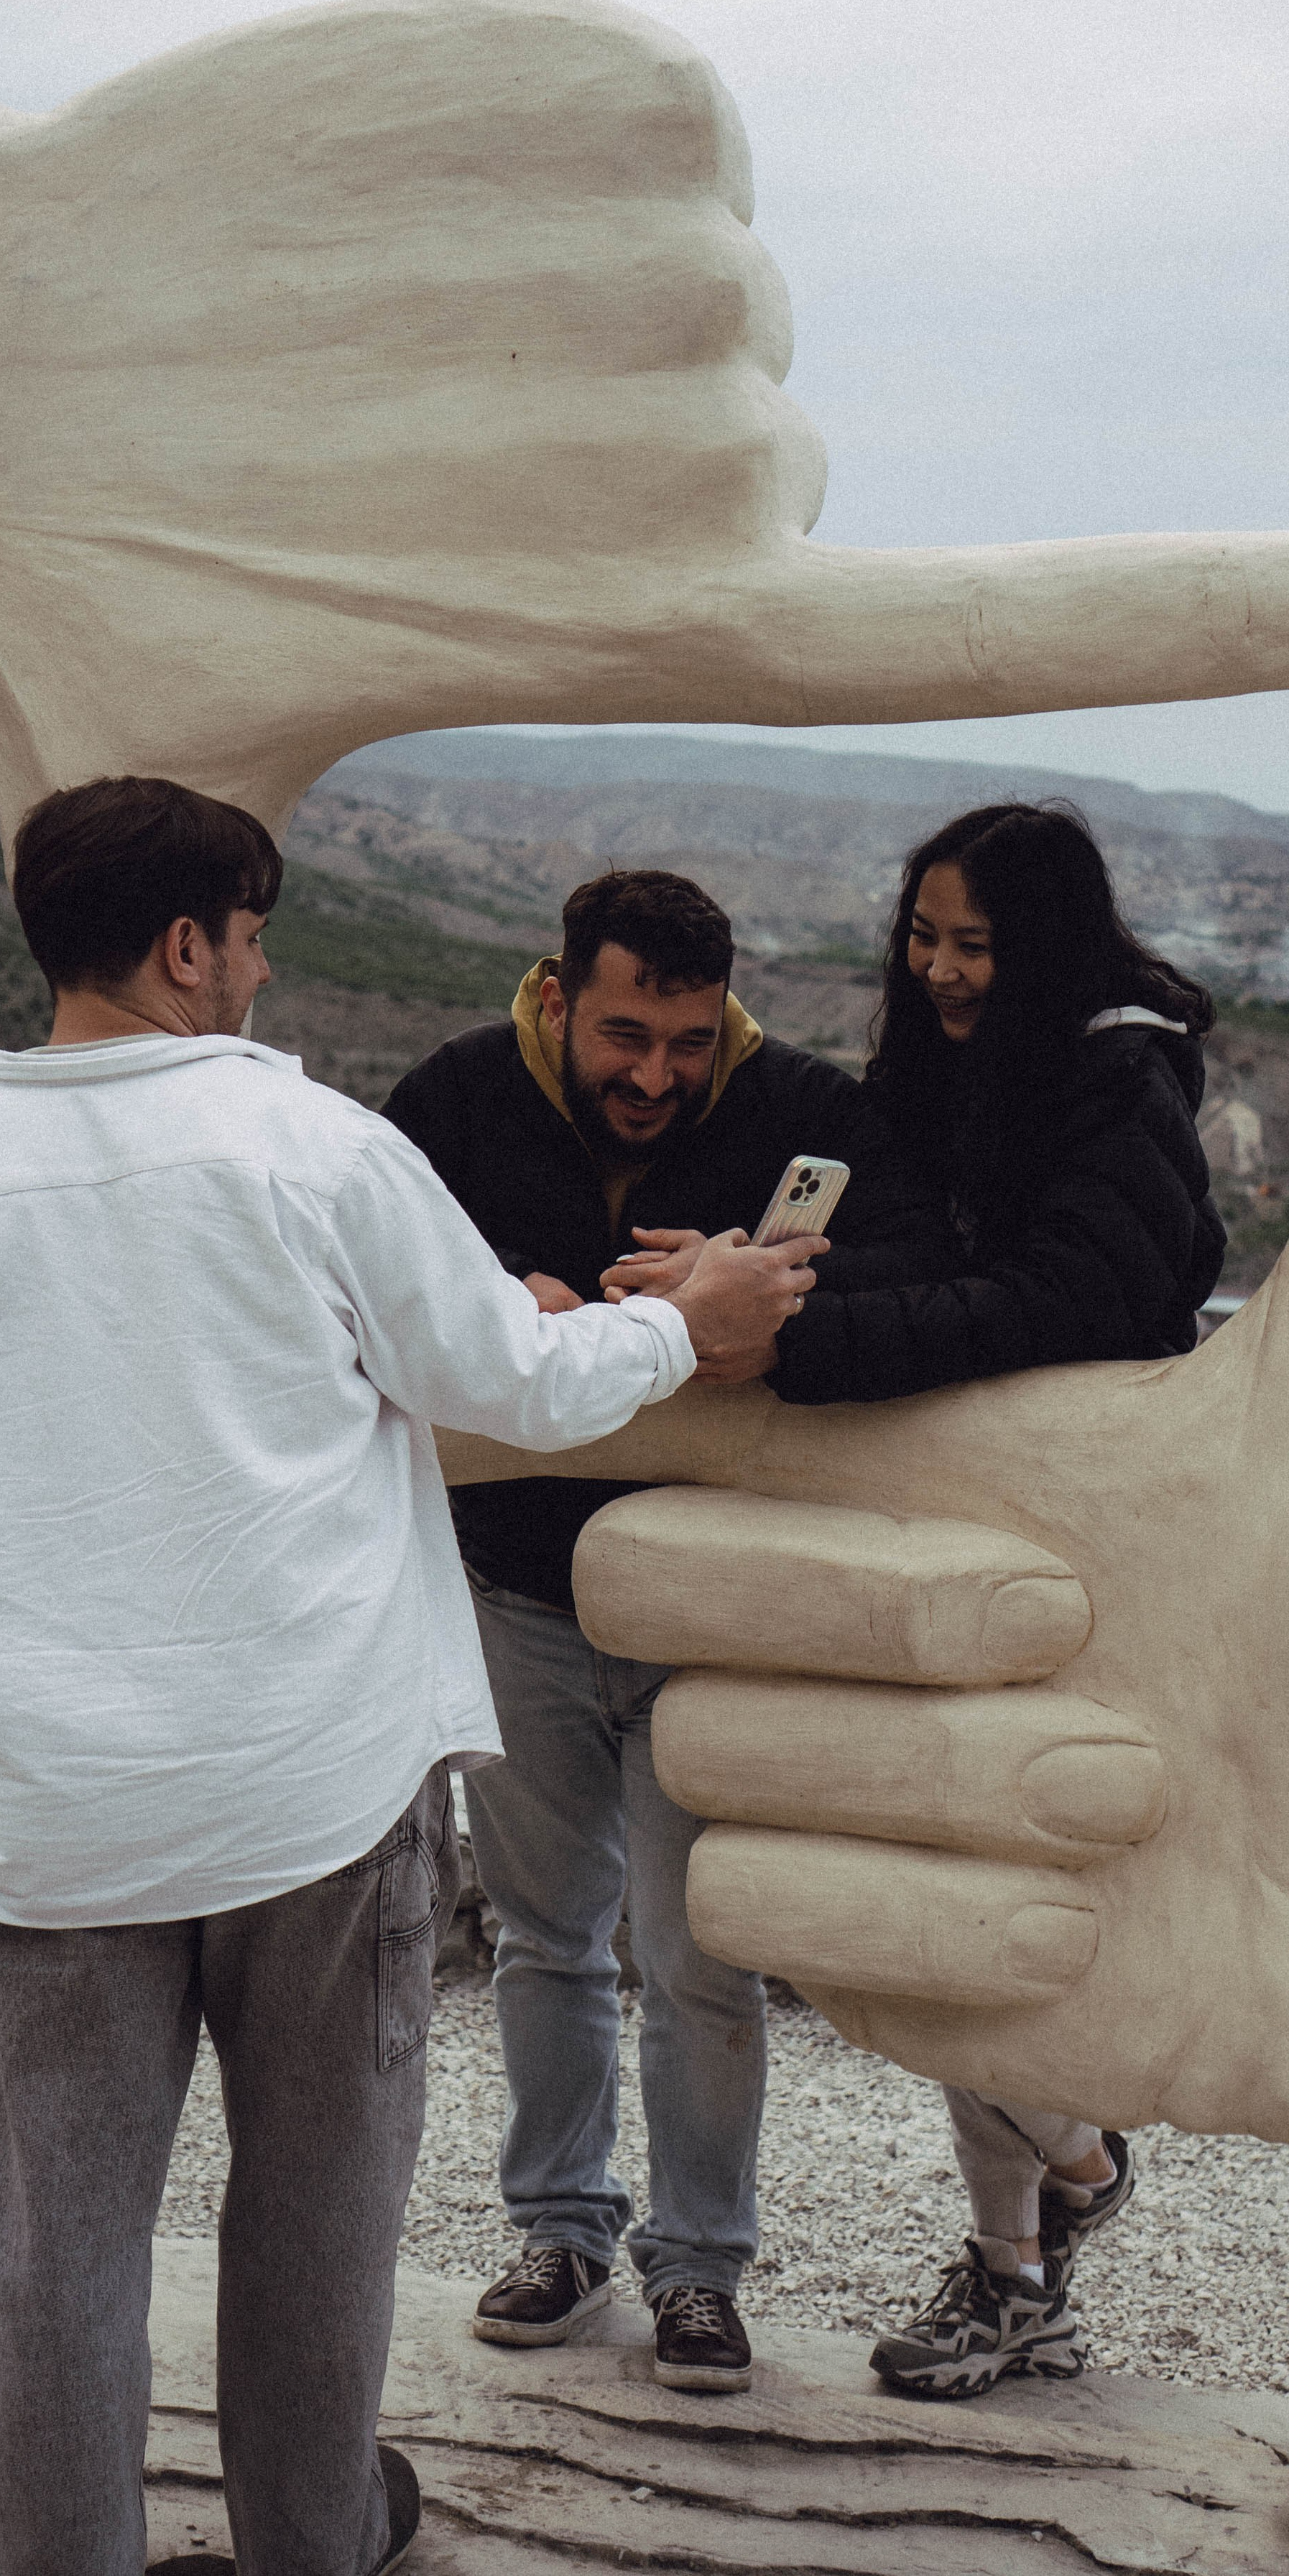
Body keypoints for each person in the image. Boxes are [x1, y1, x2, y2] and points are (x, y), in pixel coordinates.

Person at [0, 780, 818, 2576]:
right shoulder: (315, 1154)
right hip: (309, 1791)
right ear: (190, 945)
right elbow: (515, 1377)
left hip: (52, 1815)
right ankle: (312, 2538)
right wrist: (697, 1317)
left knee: (49, 2251)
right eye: (255, 935)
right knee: (313, 2234)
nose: (261, 970)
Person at [611, 802, 1226, 2401]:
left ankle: (1035, 2231)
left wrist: (796, 1347)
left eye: (974, 947)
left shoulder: (1117, 1074)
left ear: (1045, 948)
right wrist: (745, 1280)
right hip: (958, 1532)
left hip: (1085, 1550)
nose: (942, 974)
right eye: (924, 938)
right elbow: (900, 1250)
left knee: (1000, 1914)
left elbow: (1070, 1299)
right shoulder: (953, 1065)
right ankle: (1043, 2221)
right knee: (947, 1901)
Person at [381, 869, 946, 2391]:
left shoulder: (807, 1108)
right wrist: (508, 1298)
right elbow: (365, 1287)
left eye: (688, 1043)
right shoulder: (446, 1099)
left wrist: (761, 1293)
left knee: (703, 1957)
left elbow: (919, 1264)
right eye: (625, 1034)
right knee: (541, 1939)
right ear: (557, 996)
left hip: (720, 1610)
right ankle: (557, 2231)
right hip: (516, 1587)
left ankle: (699, 2267)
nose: (655, 1075)